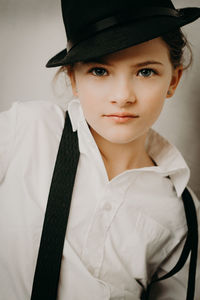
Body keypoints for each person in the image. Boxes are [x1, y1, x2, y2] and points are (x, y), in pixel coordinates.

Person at [0, 0, 200, 299]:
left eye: (145, 72)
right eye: (99, 71)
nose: (122, 96)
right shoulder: (26, 129)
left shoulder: (182, 214)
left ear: (173, 80)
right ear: (73, 79)